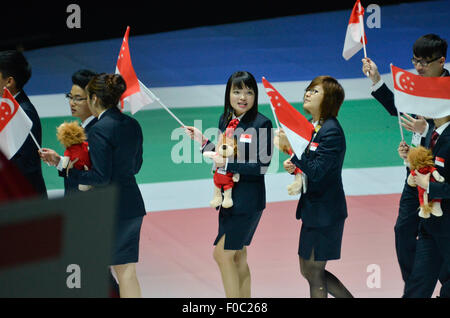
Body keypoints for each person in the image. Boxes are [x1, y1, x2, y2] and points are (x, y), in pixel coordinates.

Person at [361, 34, 449, 285]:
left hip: (440, 180)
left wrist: (425, 132)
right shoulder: (417, 84)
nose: (418, 67)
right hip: (414, 176)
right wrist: (377, 79)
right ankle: (416, 286)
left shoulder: (449, 90)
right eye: (415, 60)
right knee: (403, 232)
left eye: (424, 62)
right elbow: (399, 108)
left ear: (441, 61)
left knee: (437, 237)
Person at [184, 71, 273, 298]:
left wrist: (230, 164)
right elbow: (223, 153)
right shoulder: (226, 119)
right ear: (228, 94)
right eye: (237, 91)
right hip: (228, 200)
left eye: (249, 92)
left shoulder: (262, 123)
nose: (243, 97)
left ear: (255, 95)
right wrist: (203, 141)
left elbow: (262, 166)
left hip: (248, 201)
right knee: (238, 256)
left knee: (222, 255)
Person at [63, 73, 145, 298]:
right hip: (132, 205)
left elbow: (101, 177)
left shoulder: (99, 129)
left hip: (112, 209)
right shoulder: (132, 123)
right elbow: (136, 165)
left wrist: (72, 173)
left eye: (86, 98)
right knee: (127, 270)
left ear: (95, 100)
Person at [283, 76, 352, 298]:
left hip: (326, 211)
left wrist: (293, 153)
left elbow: (318, 170)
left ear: (329, 100)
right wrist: (294, 165)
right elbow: (309, 164)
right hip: (313, 209)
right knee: (308, 270)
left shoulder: (331, 131)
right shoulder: (311, 125)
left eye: (315, 91)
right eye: (308, 89)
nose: (308, 93)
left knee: (314, 272)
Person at [402, 114, 450, 297]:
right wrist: (410, 161)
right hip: (430, 227)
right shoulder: (432, 134)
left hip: (446, 227)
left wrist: (429, 185)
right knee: (417, 287)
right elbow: (427, 166)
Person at [40, 69, 98, 194]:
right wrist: (58, 161)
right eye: (70, 97)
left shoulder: (98, 132)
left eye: (78, 98)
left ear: (93, 99)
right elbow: (81, 166)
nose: (72, 103)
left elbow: (97, 175)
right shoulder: (81, 129)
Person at [0, 50, 47, 197]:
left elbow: (26, 166)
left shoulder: (23, 113)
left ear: (9, 81)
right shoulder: (8, 104)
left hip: (26, 199)